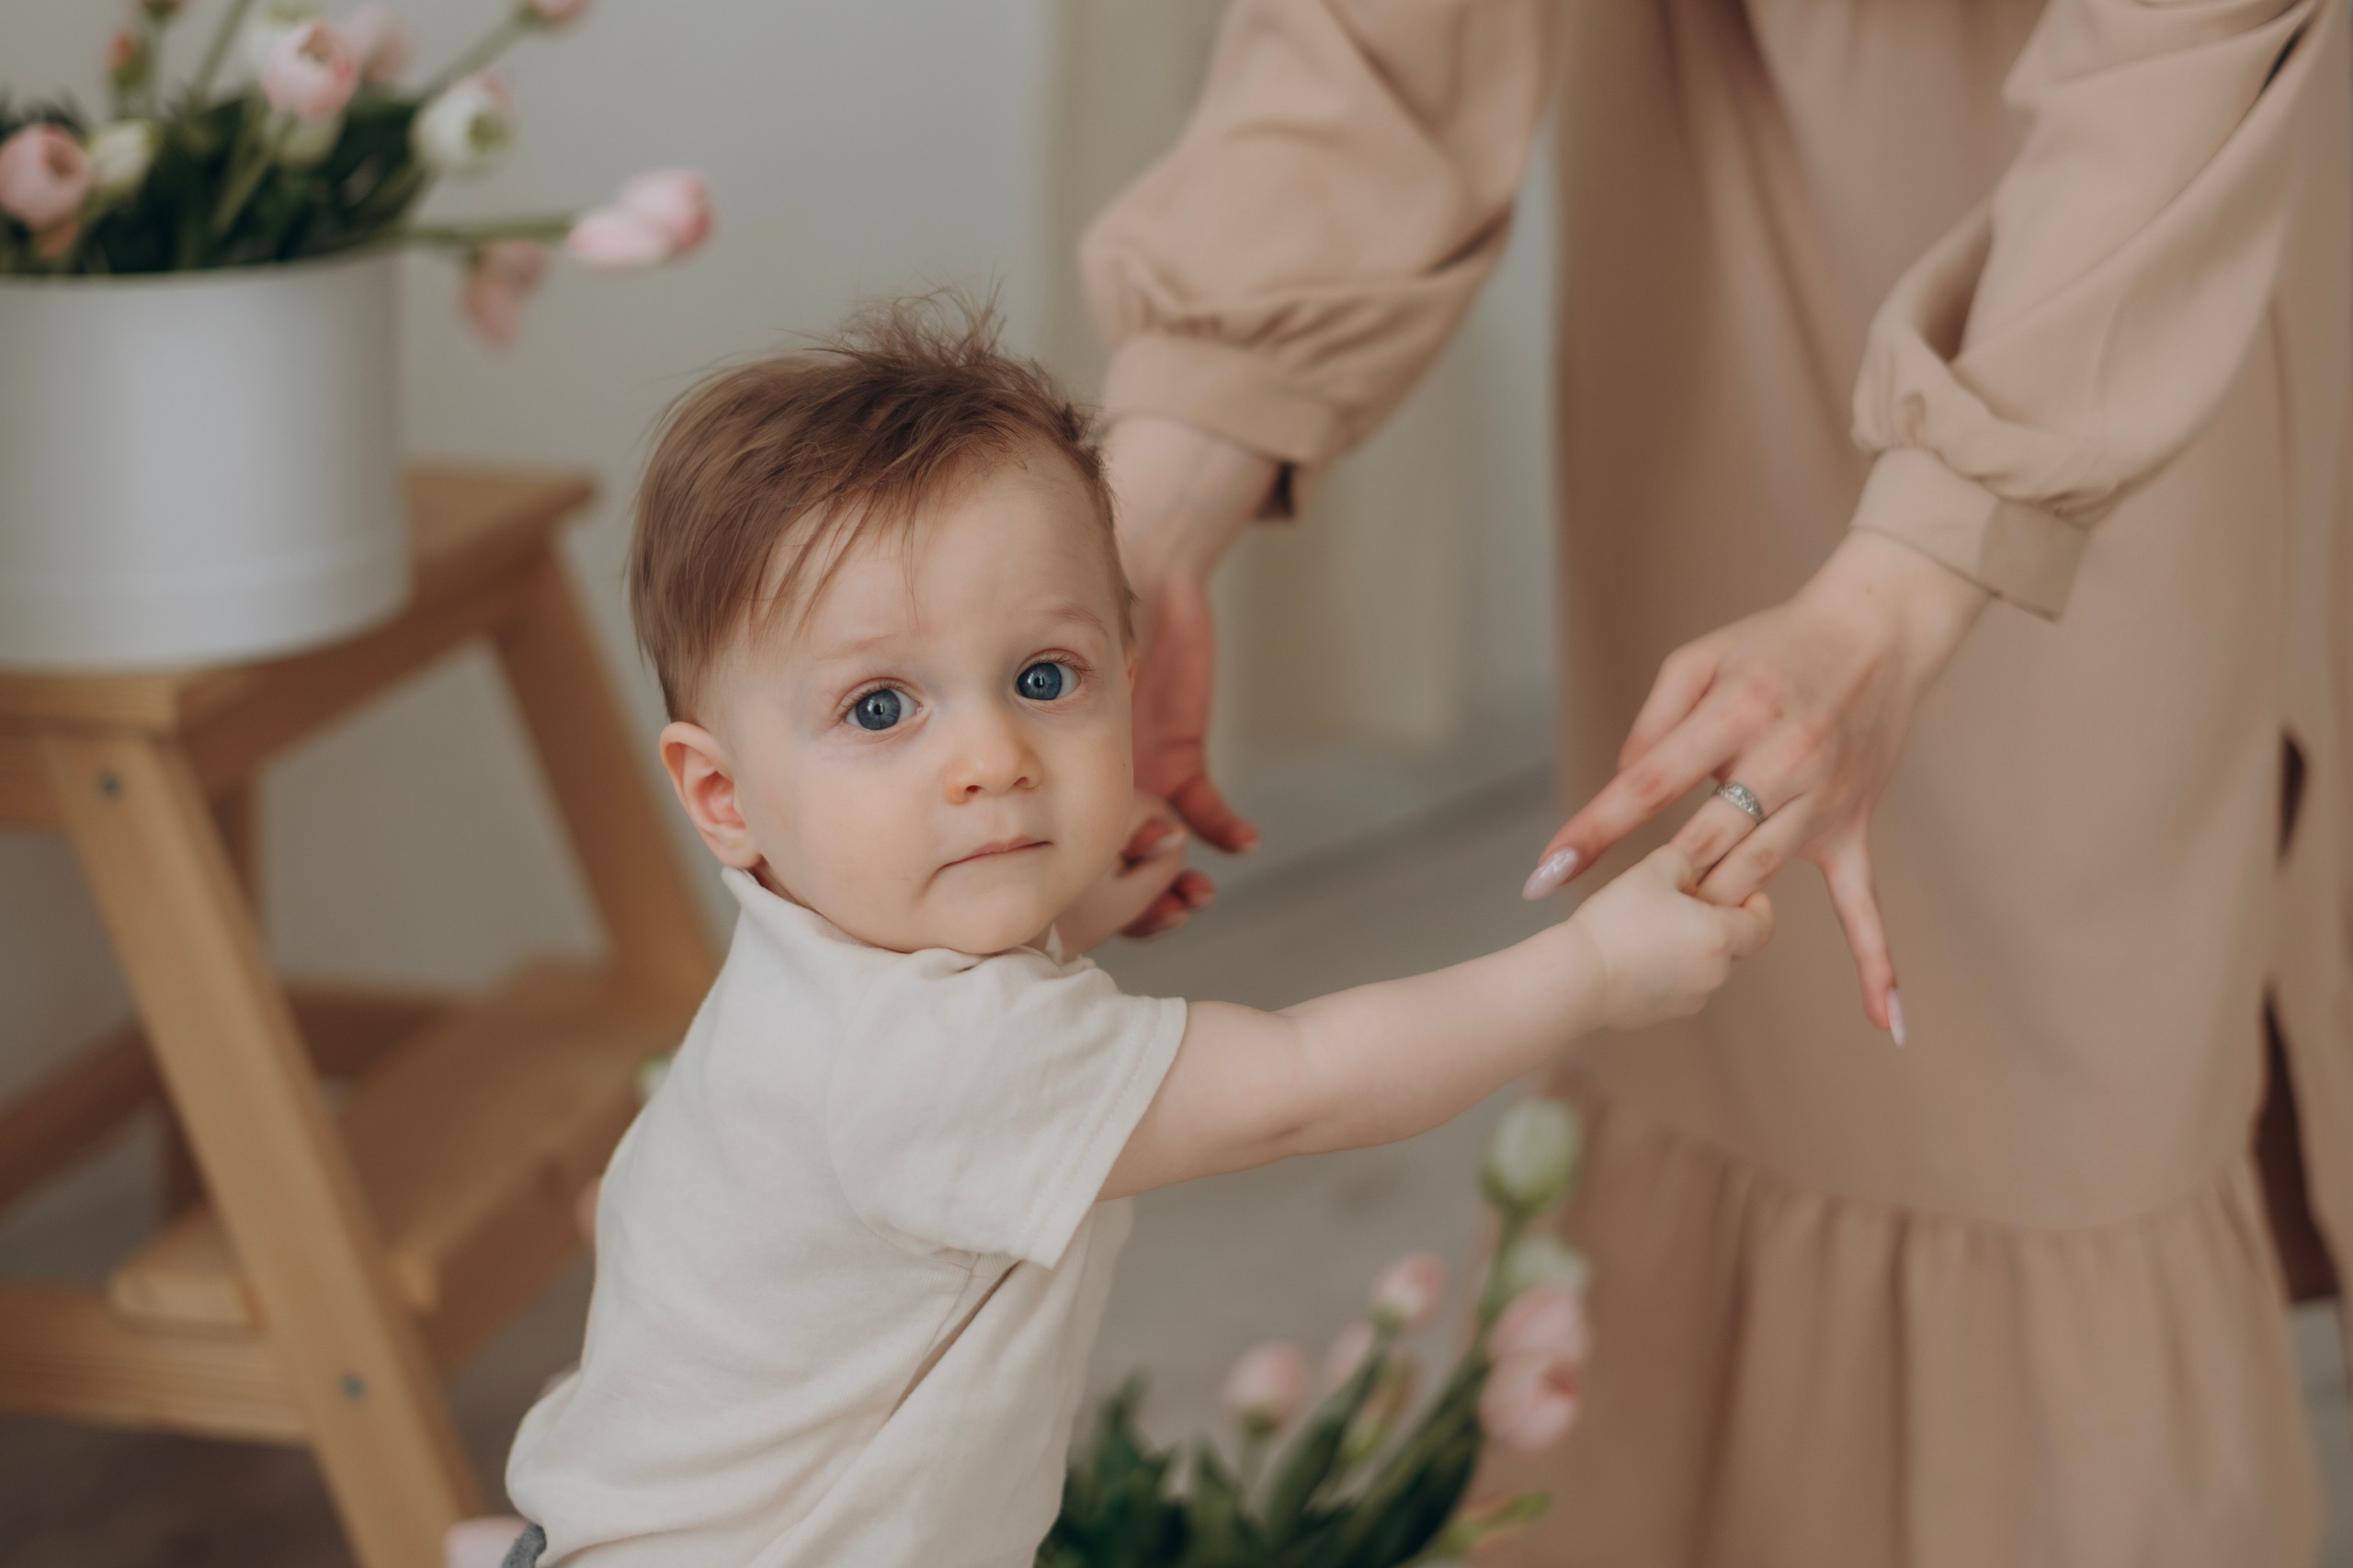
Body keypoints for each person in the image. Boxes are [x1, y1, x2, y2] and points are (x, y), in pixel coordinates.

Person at [1080, 0, 2352, 1561]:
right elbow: (1380, 42)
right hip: (1716, 211)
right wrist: (1143, 520)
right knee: (1731, 1022)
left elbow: (2174, 65)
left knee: (2048, 1047)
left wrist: (1916, 568)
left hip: (2115, 262)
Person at [494, 301, 1771, 1565]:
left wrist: (1059, 924)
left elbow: (665, 1199)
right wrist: (1594, 964)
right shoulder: (940, 1059)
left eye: (1044, 678)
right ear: (724, 798)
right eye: (882, 706)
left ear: (1124, 660)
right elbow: (1303, 1088)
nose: (993, 758)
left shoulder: (809, 960)